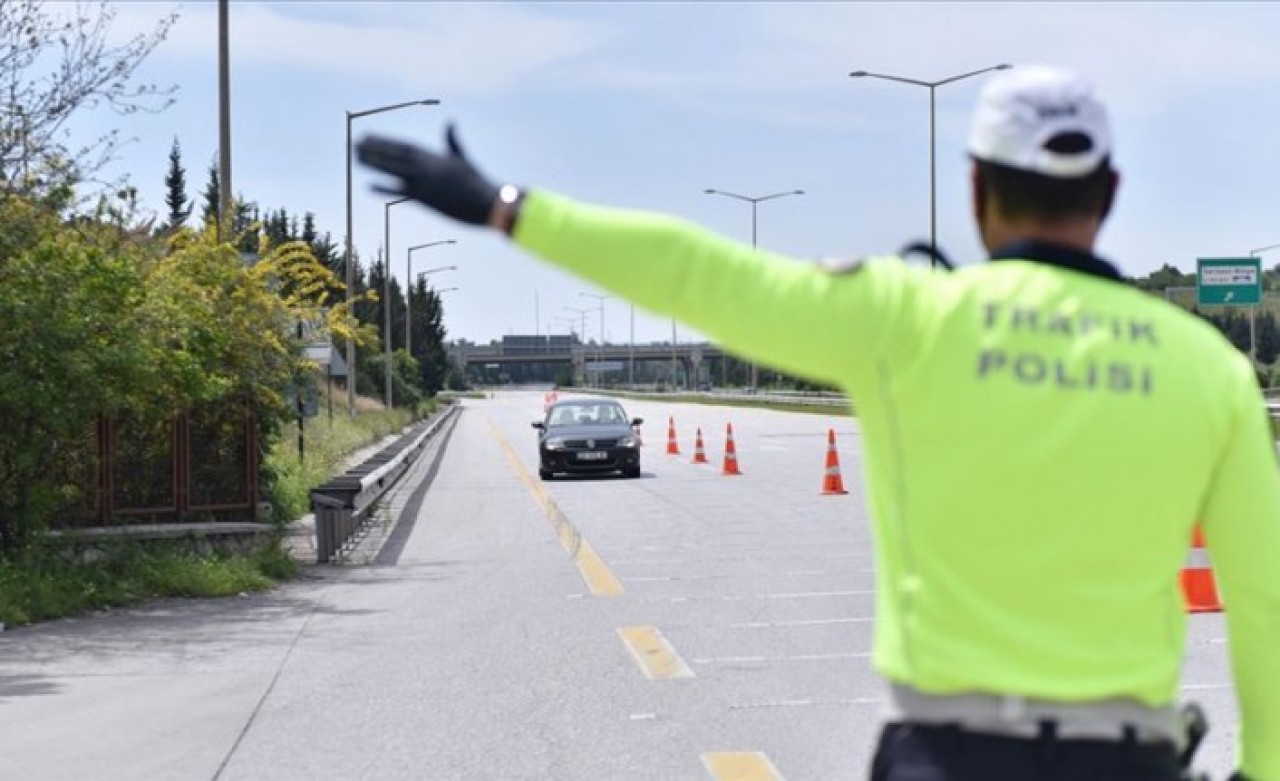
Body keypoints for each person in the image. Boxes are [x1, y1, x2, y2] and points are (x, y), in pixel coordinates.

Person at [357, 65, 1278, 781]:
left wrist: (507, 207)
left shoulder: (907, 319)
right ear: (1109, 191)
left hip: (949, 756)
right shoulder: (1210, 369)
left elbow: (699, 273)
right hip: (1129, 760)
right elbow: (1267, 607)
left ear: (975, 192)